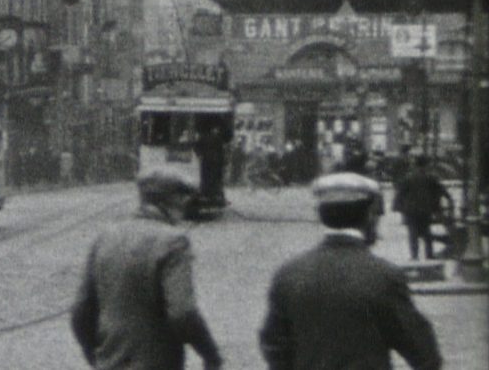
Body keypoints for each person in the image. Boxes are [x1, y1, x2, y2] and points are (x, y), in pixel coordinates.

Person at [259, 172, 441, 369]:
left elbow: (274, 345)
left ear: (320, 214)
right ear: (370, 215)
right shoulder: (383, 275)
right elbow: (423, 352)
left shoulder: (289, 274)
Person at [70, 169, 223, 370]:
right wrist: (210, 355)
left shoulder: (105, 237)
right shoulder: (173, 241)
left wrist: (95, 356)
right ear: (171, 202)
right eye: (182, 201)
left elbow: (81, 311)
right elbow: (183, 313)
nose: (184, 209)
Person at [393, 155, 452, 261]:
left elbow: (400, 193)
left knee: (413, 234)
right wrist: (448, 200)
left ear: (415, 164)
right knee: (426, 233)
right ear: (426, 165)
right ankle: (429, 254)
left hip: (410, 210)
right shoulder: (430, 177)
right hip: (425, 210)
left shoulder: (408, 177)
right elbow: (442, 190)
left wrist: (398, 207)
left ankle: (414, 256)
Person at [193, 125, 228, 206]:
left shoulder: (203, 137)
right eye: (216, 130)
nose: (216, 131)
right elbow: (221, 151)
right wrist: (223, 162)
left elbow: (196, 147)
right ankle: (214, 195)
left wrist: (200, 154)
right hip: (215, 162)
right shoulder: (218, 139)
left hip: (206, 160)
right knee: (214, 178)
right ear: (214, 130)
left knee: (205, 177)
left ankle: (205, 193)